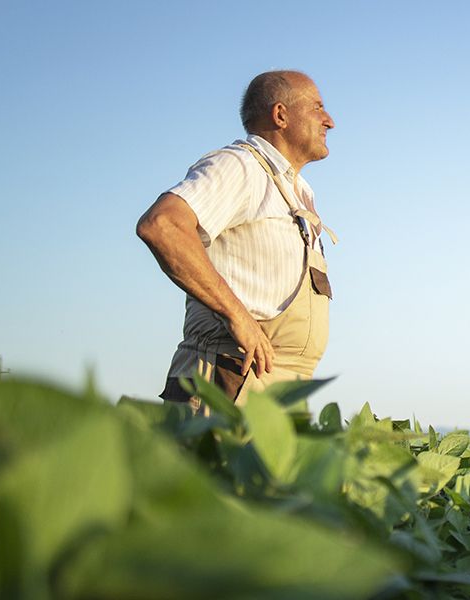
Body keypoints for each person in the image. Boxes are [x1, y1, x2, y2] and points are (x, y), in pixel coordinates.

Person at [137, 70, 337, 410]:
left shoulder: (298, 191)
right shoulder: (241, 165)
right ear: (280, 115)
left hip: (278, 391)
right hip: (228, 381)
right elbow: (162, 225)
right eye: (317, 107)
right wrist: (237, 316)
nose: (329, 121)